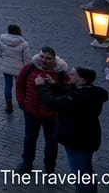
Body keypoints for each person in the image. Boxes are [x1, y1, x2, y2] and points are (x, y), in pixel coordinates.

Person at [37, 66, 109, 193]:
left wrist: (41, 87)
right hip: (89, 137)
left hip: (77, 140)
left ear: (81, 79)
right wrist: (54, 85)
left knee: (81, 175)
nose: (69, 75)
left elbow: (53, 103)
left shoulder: (79, 97)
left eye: (73, 74)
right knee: (86, 171)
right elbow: (68, 97)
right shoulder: (91, 92)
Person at [15, 46, 70, 174]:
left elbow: (66, 91)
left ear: (54, 60)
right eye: (42, 57)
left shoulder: (60, 73)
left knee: (51, 142)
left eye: (48, 58)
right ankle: (27, 163)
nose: (44, 60)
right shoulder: (29, 68)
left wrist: (54, 85)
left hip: (51, 115)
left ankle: (50, 168)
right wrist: (21, 101)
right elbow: (19, 84)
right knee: (29, 139)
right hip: (30, 112)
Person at [0, 23, 31, 114]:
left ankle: (8, 105)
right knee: (20, 86)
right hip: (19, 70)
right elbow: (27, 59)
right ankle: (22, 103)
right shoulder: (24, 44)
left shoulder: (2, 40)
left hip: (6, 68)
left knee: (8, 86)